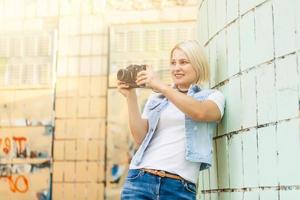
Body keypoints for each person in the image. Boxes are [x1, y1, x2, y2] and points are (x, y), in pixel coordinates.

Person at [117, 40, 225, 200]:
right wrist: (130, 96)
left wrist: (162, 86)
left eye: (183, 62)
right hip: (140, 179)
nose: (177, 68)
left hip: (179, 187)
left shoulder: (212, 97)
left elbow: (200, 113)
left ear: (198, 64)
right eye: (173, 63)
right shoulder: (157, 99)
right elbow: (140, 137)